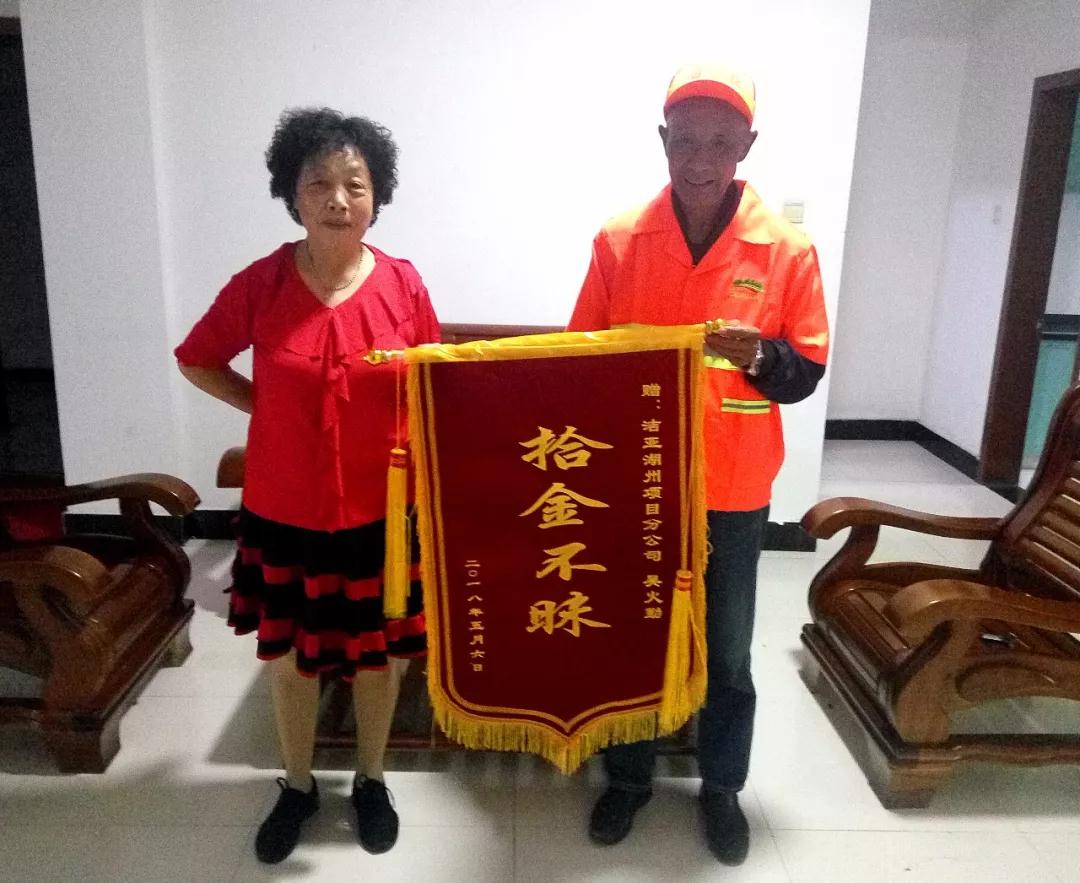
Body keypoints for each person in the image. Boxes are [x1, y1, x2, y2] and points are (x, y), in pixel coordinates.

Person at [568, 64, 829, 865]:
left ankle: (720, 787)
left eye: (720, 141)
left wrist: (763, 357)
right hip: (637, 483)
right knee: (636, 640)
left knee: (726, 652)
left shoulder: (785, 249)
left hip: (734, 486)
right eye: (685, 140)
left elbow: (806, 370)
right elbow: (580, 358)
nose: (701, 158)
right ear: (663, 141)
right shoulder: (619, 240)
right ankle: (629, 778)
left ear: (747, 145)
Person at [175, 108, 439, 863]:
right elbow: (197, 357)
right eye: (318, 182)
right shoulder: (259, 284)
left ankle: (371, 780)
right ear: (292, 194)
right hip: (284, 508)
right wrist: (263, 407)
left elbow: (435, 385)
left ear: (376, 197)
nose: (337, 198)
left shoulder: (403, 285)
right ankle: (296, 784)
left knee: (379, 657)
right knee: (290, 658)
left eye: (355, 183)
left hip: (382, 512)